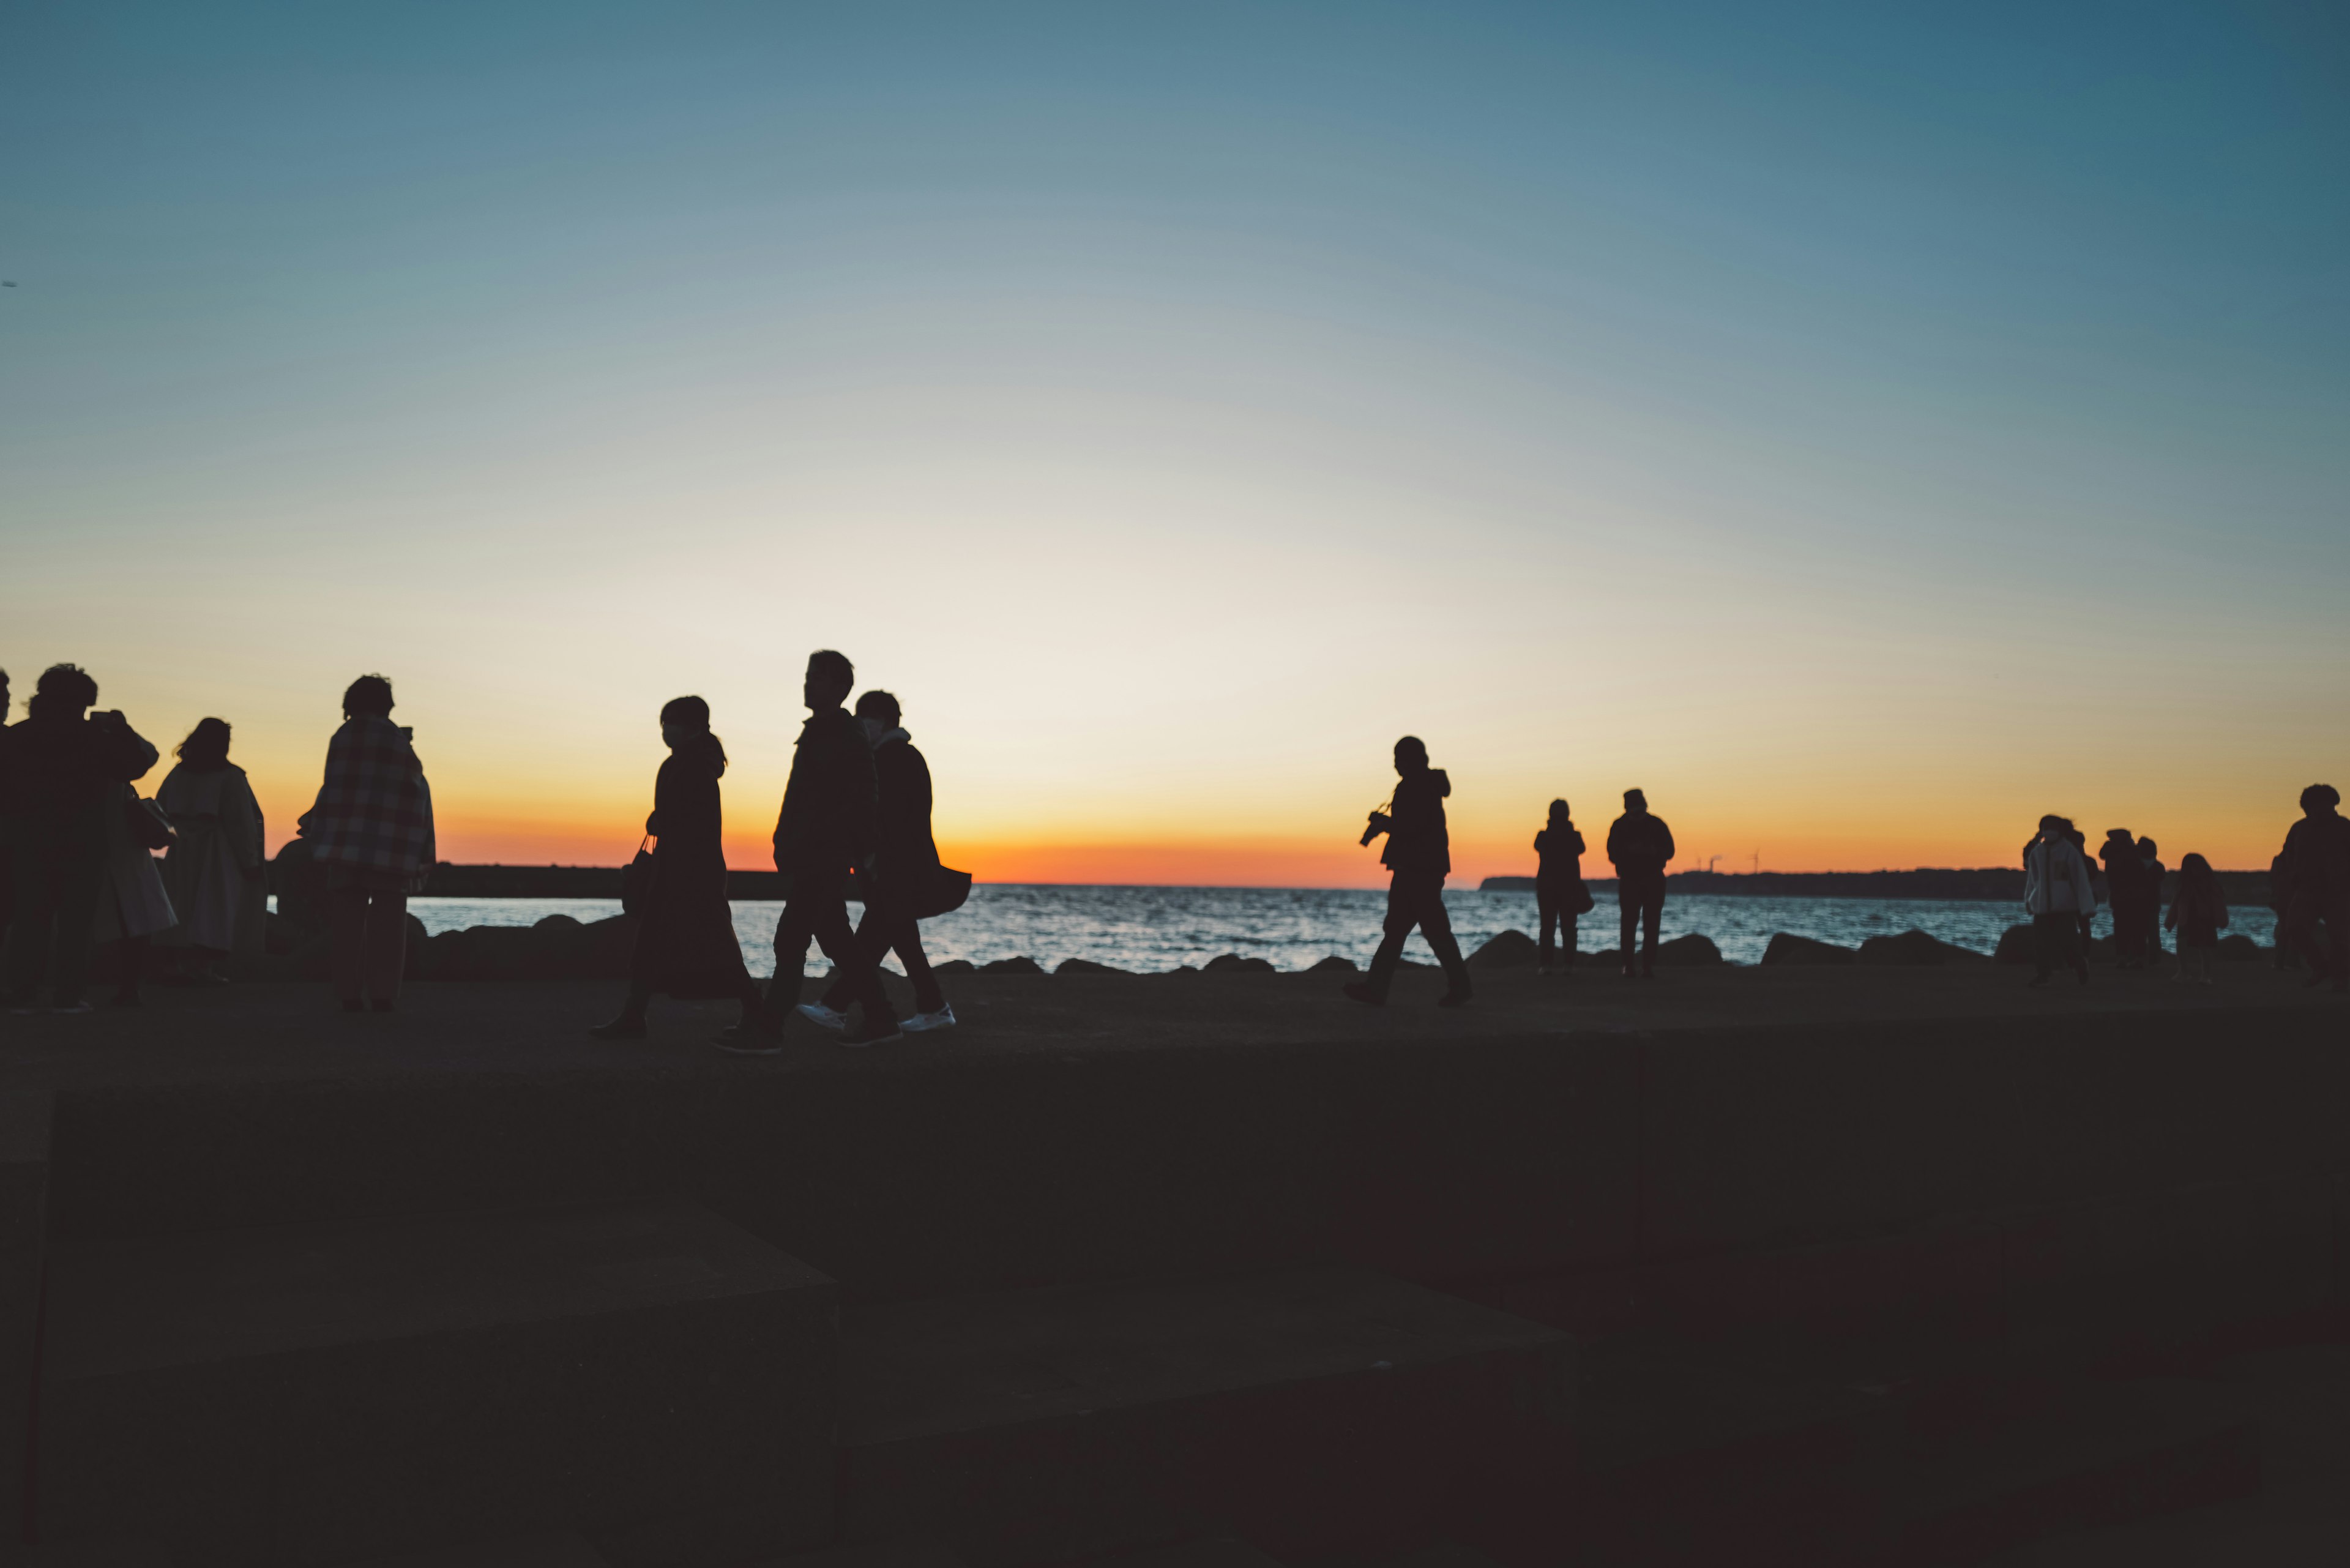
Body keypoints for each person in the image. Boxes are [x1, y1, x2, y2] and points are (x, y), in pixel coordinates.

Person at [731, 650, 898, 1052]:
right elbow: (801, 798)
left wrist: (851, 849)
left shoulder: (845, 735)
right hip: (813, 854)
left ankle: (769, 1028)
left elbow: (863, 796)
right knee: (838, 941)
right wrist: (783, 840)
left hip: (825, 857)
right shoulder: (819, 731)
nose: (808, 683)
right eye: (808, 676)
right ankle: (881, 1018)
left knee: (790, 940)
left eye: (818, 678)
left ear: (840, 687)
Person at [591, 697, 774, 1041]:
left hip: (691, 873)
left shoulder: (691, 765)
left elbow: (689, 818)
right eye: (663, 723)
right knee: (655, 943)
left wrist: (660, 820)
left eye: (671, 722)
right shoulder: (691, 762)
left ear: (693, 725)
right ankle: (634, 1014)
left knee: (712, 942)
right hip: (679, 869)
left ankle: (755, 1007)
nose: (665, 730)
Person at [0, 666, 159, 1013]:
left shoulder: (16, 736)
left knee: (30, 917)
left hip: (25, 838)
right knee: (76, 921)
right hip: (82, 839)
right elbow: (136, 764)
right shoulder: (93, 738)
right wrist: (121, 730)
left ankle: (23, 993)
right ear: (85, 702)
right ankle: (68, 995)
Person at [804, 690, 953, 1035]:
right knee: (899, 938)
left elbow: (890, 818)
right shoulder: (898, 756)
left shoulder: (892, 758)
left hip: (894, 866)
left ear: (883, 723)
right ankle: (934, 1007)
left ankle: (835, 1007)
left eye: (865, 721)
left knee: (873, 939)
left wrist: (873, 856)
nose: (859, 728)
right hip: (897, 865)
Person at [300, 675, 434, 1013]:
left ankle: (348, 993)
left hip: (344, 844)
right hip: (389, 844)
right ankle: (383, 994)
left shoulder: (342, 737)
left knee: (347, 923)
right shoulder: (394, 738)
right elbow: (412, 786)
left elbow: (335, 787)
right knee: (388, 923)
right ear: (385, 702)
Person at [1343, 735, 1471, 1007]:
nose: (1395, 766)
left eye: (1398, 760)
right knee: (1408, 930)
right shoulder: (1422, 785)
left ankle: (1378, 989)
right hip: (1420, 867)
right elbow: (1413, 824)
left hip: (1417, 869)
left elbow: (1412, 827)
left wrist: (1383, 824)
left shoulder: (1417, 786)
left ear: (1409, 760)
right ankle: (1378, 989)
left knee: (1419, 930)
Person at [155, 718, 267, 984]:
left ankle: (175, 965)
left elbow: (160, 808)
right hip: (218, 852)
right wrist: (250, 860)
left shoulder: (178, 774)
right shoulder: (230, 777)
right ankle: (201, 966)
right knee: (213, 907)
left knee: (181, 903)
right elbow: (241, 821)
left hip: (181, 849)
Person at [91, 774, 177, 1006]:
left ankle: (126, 987)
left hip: (107, 852)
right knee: (135, 923)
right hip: (121, 853)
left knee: (128, 923)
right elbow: (147, 755)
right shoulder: (116, 779)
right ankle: (130, 987)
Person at [2278, 784, 2350, 993]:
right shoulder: (2299, 828)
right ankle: (2320, 967)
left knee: (2340, 937)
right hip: (2307, 890)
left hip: (2340, 891)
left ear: (2331, 804)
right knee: (2294, 927)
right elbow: (2287, 856)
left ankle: (2340, 977)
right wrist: (2291, 879)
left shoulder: (2344, 827)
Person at [1606, 788, 1675, 979]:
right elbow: (1612, 853)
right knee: (1632, 923)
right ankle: (1632, 965)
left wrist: (1653, 851)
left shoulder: (1653, 824)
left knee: (1648, 923)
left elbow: (1669, 850)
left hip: (1650, 878)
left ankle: (1644, 966)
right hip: (1633, 879)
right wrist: (1630, 852)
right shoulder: (1623, 826)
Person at [2024, 814, 2096, 987]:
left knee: (2069, 942)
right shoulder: (2038, 852)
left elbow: (2081, 879)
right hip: (2042, 907)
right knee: (2040, 943)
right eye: (2046, 827)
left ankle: (2080, 968)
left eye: (2053, 828)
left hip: (2065, 907)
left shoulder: (2069, 851)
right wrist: (2029, 901)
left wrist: (2086, 905)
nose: (2049, 831)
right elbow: (2033, 880)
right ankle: (2043, 974)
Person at [1534, 799, 1589, 974]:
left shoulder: (1544, 836)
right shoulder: (1574, 836)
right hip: (1569, 887)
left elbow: (1538, 846)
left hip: (1547, 888)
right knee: (1569, 928)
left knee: (1547, 928)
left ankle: (1546, 965)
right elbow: (1581, 848)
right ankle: (1568, 965)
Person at [2165, 853, 2227, 986]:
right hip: (2186, 919)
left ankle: (2206, 975)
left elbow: (2218, 903)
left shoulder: (2210, 885)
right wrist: (2170, 922)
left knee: (2205, 947)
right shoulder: (2183, 885)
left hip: (2205, 919)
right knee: (2181, 944)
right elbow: (2176, 904)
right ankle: (2183, 972)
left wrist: (2222, 920)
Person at [2099, 829, 2149, 968]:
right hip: (2136, 896)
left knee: (2120, 927)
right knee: (2137, 928)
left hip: (2117, 894)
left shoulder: (2110, 853)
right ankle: (2138, 957)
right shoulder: (2131, 853)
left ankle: (2121, 957)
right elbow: (2141, 874)